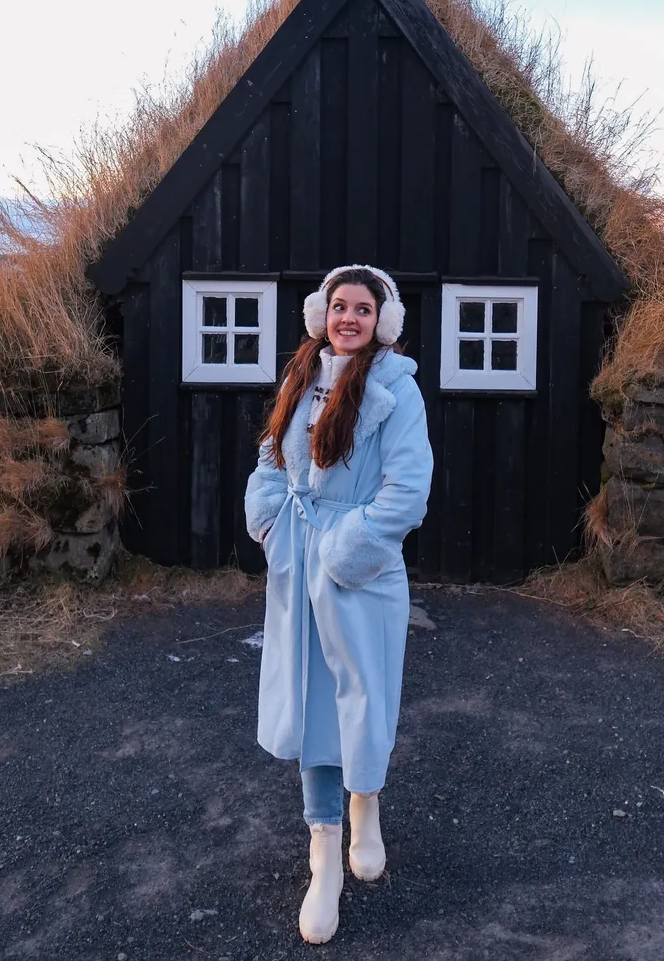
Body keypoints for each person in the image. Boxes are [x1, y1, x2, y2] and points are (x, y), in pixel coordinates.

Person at [244, 264, 434, 945]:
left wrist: (348, 545)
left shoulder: (395, 391)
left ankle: (366, 805)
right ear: (321, 314)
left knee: (362, 697)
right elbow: (272, 457)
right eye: (338, 306)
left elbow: (408, 488)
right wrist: (269, 522)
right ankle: (323, 853)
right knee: (309, 701)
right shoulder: (302, 377)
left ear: (382, 320)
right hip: (297, 564)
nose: (348, 318)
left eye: (361, 308)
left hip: (360, 570)